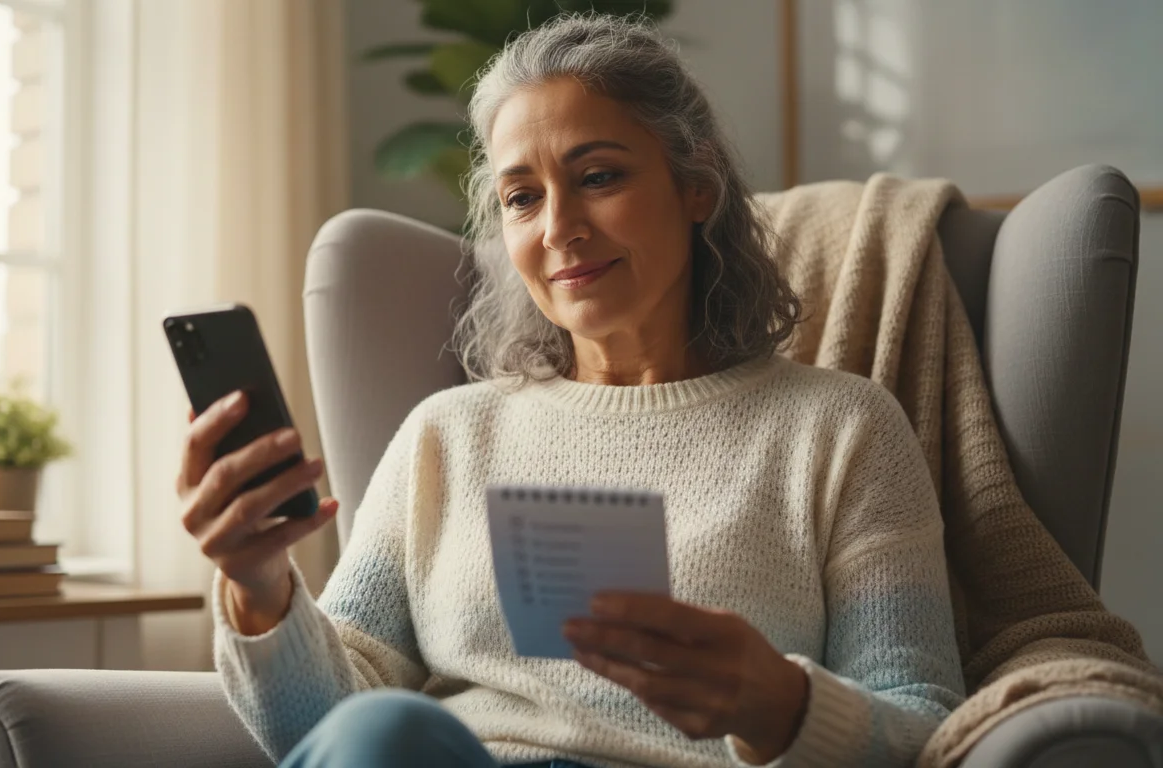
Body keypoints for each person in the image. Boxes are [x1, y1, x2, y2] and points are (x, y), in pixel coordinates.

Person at [178, 13, 964, 768]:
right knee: (386, 733)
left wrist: (779, 704)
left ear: (697, 187)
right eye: (522, 197)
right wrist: (259, 586)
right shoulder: (448, 435)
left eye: (598, 177)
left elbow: (921, 721)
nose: (558, 227)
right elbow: (325, 733)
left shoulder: (840, 429)